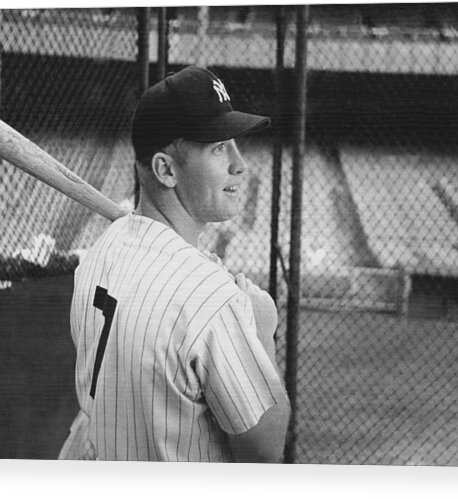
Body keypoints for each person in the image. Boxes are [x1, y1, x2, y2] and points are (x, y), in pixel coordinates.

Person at [59, 66, 289, 462]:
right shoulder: (212, 299)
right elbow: (265, 453)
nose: (240, 164)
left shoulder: (99, 253)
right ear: (166, 170)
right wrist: (264, 332)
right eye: (218, 147)